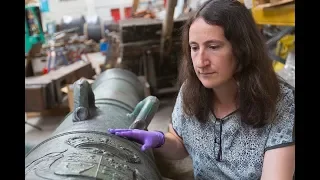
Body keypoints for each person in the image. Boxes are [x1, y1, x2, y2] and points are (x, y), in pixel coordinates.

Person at [109, 0, 295, 179]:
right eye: (194, 48)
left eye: (213, 47)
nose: (200, 62)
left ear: (243, 49)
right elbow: (181, 143)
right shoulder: (190, 91)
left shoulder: (281, 103)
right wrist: (159, 140)